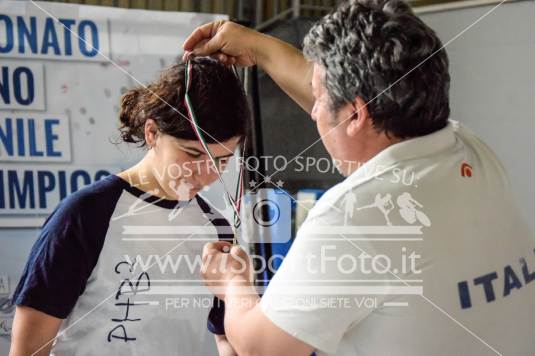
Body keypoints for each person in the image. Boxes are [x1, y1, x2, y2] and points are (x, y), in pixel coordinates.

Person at [184, 1, 535, 355]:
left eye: (319, 99)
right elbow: (360, 109)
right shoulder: (470, 151)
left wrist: (230, 283)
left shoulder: (353, 216)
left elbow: (261, 347)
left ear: (355, 114)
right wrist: (259, 47)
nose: (314, 111)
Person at [9, 57, 249, 356]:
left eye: (221, 160)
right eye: (191, 154)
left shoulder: (216, 230)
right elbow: (28, 349)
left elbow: (227, 339)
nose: (206, 174)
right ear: (152, 133)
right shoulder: (87, 214)